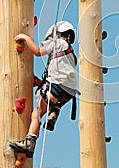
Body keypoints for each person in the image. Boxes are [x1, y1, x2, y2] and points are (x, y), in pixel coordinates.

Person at [9, 21, 77, 158]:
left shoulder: (57, 43)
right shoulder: (71, 54)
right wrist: (41, 83)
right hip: (68, 93)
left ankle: (29, 143)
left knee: (36, 114)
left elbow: (38, 52)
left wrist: (26, 38)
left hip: (57, 88)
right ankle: (54, 110)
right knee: (48, 97)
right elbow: (60, 75)